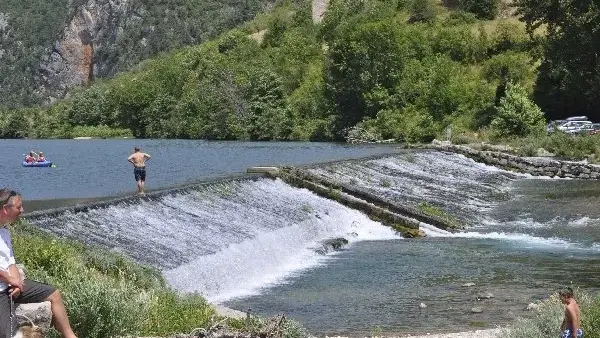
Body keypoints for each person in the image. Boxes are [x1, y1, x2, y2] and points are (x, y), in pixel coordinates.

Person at [0, 189, 78, 338]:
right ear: (5, 209)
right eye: (18, 207)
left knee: (53, 294)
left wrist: (18, 283)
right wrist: (10, 279)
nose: (22, 210)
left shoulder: (4, 232)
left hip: (10, 287)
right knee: (8, 334)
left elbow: (11, 262)